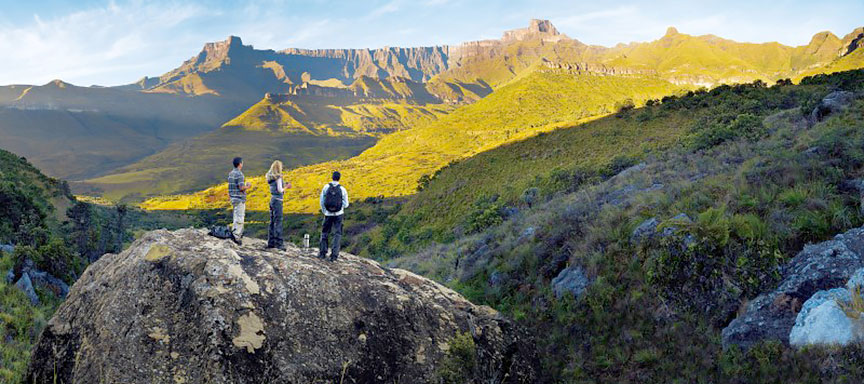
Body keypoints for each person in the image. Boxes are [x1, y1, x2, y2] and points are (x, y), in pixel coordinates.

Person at [318, 171, 348, 261]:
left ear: (332, 177)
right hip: (338, 215)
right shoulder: (342, 189)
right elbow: (346, 204)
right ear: (339, 178)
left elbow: (322, 201)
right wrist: (340, 208)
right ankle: (334, 255)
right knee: (337, 234)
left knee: (325, 232)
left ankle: (323, 253)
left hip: (327, 214)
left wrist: (325, 211)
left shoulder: (326, 187)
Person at [265, 160, 291, 250]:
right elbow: (280, 190)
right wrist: (286, 187)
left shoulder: (270, 177)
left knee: (272, 221)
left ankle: (271, 242)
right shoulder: (278, 178)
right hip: (278, 200)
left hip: (272, 199)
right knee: (278, 221)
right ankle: (279, 243)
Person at [228, 157, 252, 245]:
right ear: (240, 164)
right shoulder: (239, 174)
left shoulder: (231, 173)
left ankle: (234, 233)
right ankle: (236, 236)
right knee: (240, 217)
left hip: (233, 198)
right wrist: (248, 186)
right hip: (239, 198)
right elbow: (241, 187)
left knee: (235, 216)